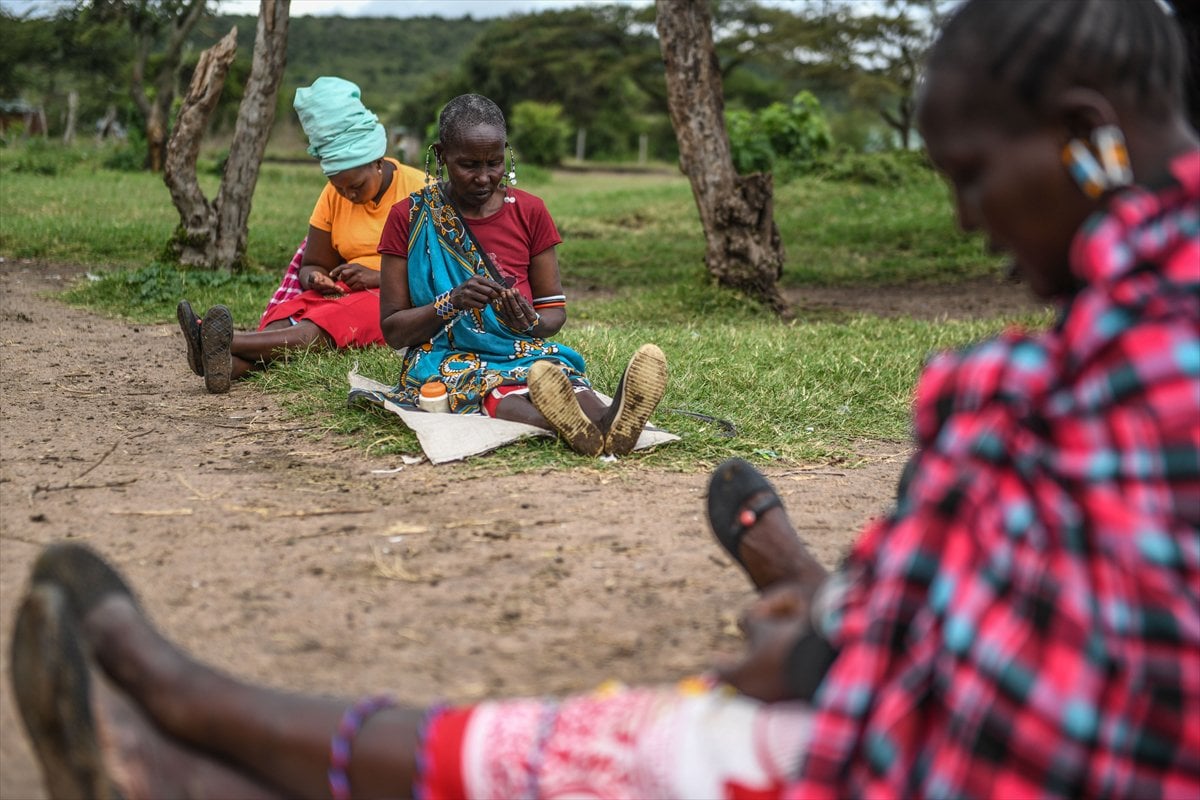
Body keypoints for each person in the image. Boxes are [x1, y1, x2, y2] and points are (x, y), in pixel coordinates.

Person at [9, 1, 1199, 797]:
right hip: (441, 357)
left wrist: (841, 644)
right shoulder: (411, 219)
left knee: (595, 713)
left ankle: (189, 733)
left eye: (972, 176)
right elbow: (393, 316)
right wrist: (448, 311)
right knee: (460, 371)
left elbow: (1031, 691)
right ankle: (735, 529)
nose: (962, 218)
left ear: (1089, 142)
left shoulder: (1116, 368)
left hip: (524, 367)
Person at [376, 94, 668, 457]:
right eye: (468, 165)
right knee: (488, 383)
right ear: (440, 156)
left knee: (557, 374)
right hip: (444, 355)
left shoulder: (531, 211)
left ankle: (610, 421)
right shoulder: (409, 217)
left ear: (505, 154)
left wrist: (530, 323)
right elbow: (392, 329)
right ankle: (566, 427)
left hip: (522, 347)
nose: (484, 178)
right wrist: (451, 303)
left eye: (494, 163)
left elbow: (553, 314)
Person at [177, 77, 426, 394]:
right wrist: (316, 279)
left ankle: (217, 339)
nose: (348, 195)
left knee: (316, 328)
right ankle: (220, 363)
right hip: (341, 292)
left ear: (378, 161)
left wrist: (378, 277)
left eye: (357, 186)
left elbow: (437, 273)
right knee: (287, 317)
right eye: (339, 187)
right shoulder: (333, 196)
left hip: (392, 302)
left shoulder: (421, 192)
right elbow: (311, 264)